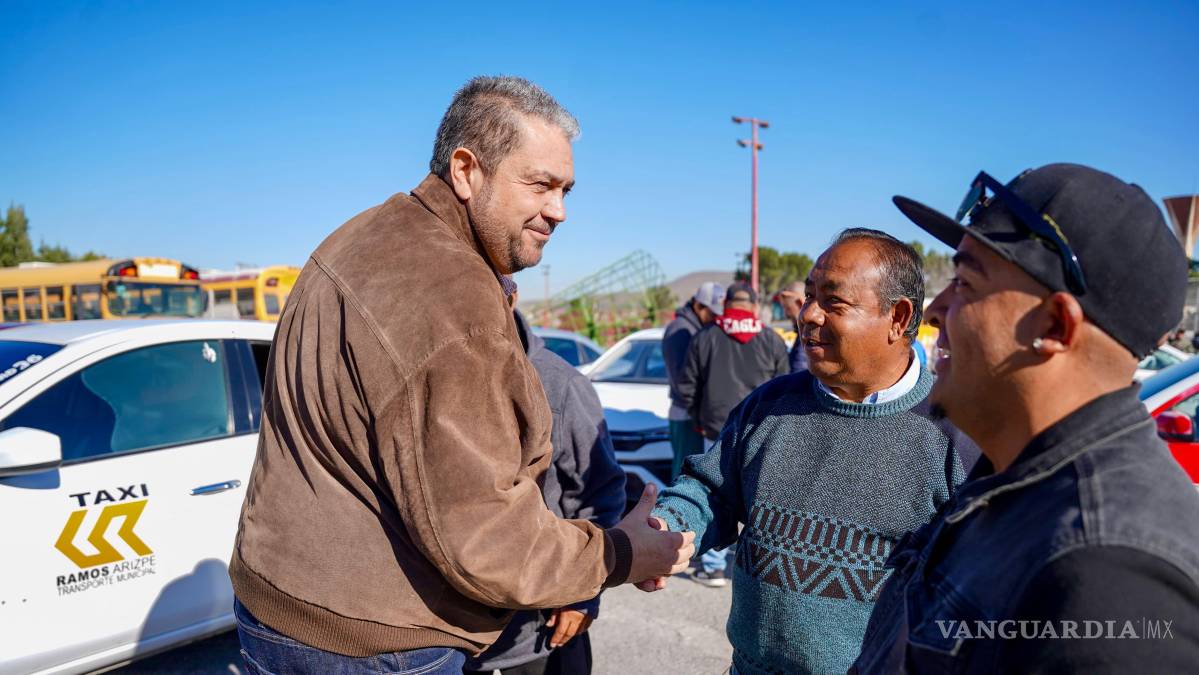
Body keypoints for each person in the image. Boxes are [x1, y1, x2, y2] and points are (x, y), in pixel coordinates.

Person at [228, 75, 693, 675]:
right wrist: (625, 553)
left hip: (280, 607)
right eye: (540, 185)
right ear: (467, 170)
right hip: (375, 642)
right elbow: (487, 540)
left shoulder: (361, 236)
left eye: (566, 189)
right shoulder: (452, 299)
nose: (559, 211)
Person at [852, 164, 1199, 672]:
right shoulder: (1012, 476)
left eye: (965, 282)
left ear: (1055, 325)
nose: (936, 310)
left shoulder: (1108, 569)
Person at [650, 229, 979, 673]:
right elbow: (711, 493)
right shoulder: (768, 405)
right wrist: (665, 528)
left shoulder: (957, 433)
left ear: (898, 318)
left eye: (832, 301)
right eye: (808, 296)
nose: (808, 314)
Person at [463, 310, 626, 675]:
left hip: (540, 631)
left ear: (510, 296)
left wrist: (583, 595)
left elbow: (600, 493)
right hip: (448, 638)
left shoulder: (559, 383)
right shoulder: (439, 372)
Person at [662, 281, 724, 482]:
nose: (715, 318)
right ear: (698, 306)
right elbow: (683, 382)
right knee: (685, 474)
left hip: (693, 414)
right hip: (687, 414)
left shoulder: (694, 328)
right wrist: (697, 415)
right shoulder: (680, 331)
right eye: (712, 313)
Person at [778, 279, 809, 372]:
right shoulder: (803, 333)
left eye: (787, 308)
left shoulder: (808, 336)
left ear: (799, 303)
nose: (785, 314)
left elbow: (799, 369)